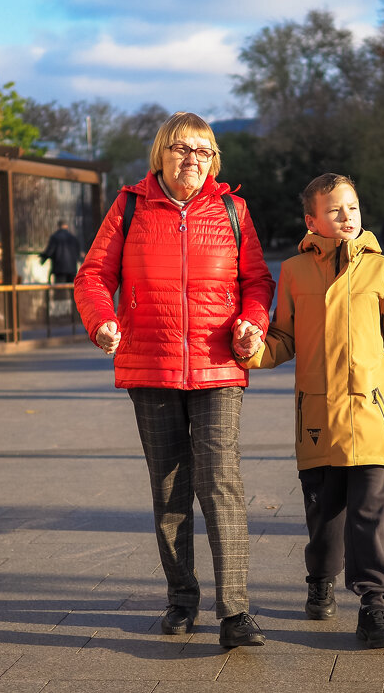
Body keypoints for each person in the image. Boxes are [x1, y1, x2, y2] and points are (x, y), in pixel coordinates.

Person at [75, 111, 275, 648]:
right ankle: (182, 600)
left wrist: (252, 324)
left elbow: (257, 280)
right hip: (151, 365)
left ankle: (235, 613)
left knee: (221, 485)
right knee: (169, 491)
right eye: (183, 149)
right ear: (161, 153)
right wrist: (101, 321)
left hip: (217, 368)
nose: (193, 159)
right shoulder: (131, 205)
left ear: (214, 160)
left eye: (204, 151)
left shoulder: (232, 209)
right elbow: (94, 275)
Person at [236, 173, 384, 649]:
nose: (347, 217)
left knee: (370, 514)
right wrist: (251, 348)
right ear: (312, 219)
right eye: (336, 210)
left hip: (372, 415)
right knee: (325, 521)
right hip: (318, 421)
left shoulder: (383, 270)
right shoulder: (295, 272)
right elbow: (282, 340)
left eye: (353, 208)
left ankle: (374, 605)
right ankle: (319, 579)